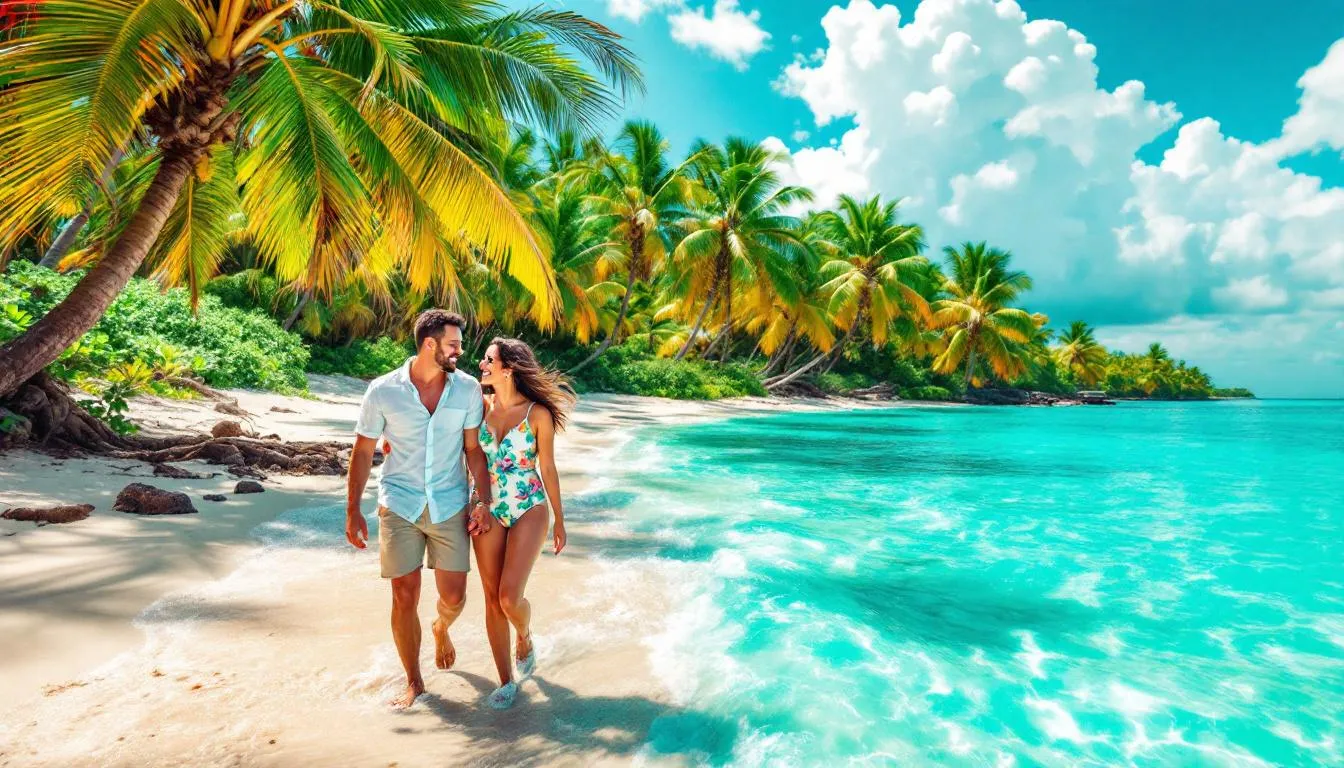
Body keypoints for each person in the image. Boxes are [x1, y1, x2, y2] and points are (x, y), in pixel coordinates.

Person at [344, 310, 495, 709]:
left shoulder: (466, 391)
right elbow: (362, 451)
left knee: (455, 596)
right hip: (399, 501)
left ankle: (441, 627)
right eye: (454, 345)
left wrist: (482, 500)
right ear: (430, 344)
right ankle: (414, 680)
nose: (461, 352)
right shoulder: (383, 391)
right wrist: (353, 509)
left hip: (449, 502)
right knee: (403, 594)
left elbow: (474, 451)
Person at [473, 337, 573, 709]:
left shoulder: (537, 414)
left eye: (488, 360)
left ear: (508, 368)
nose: (481, 365)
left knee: (508, 597)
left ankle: (525, 634)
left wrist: (560, 519)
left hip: (529, 506)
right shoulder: (479, 408)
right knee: (490, 597)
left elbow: (547, 466)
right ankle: (504, 681)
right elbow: (471, 458)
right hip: (489, 508)